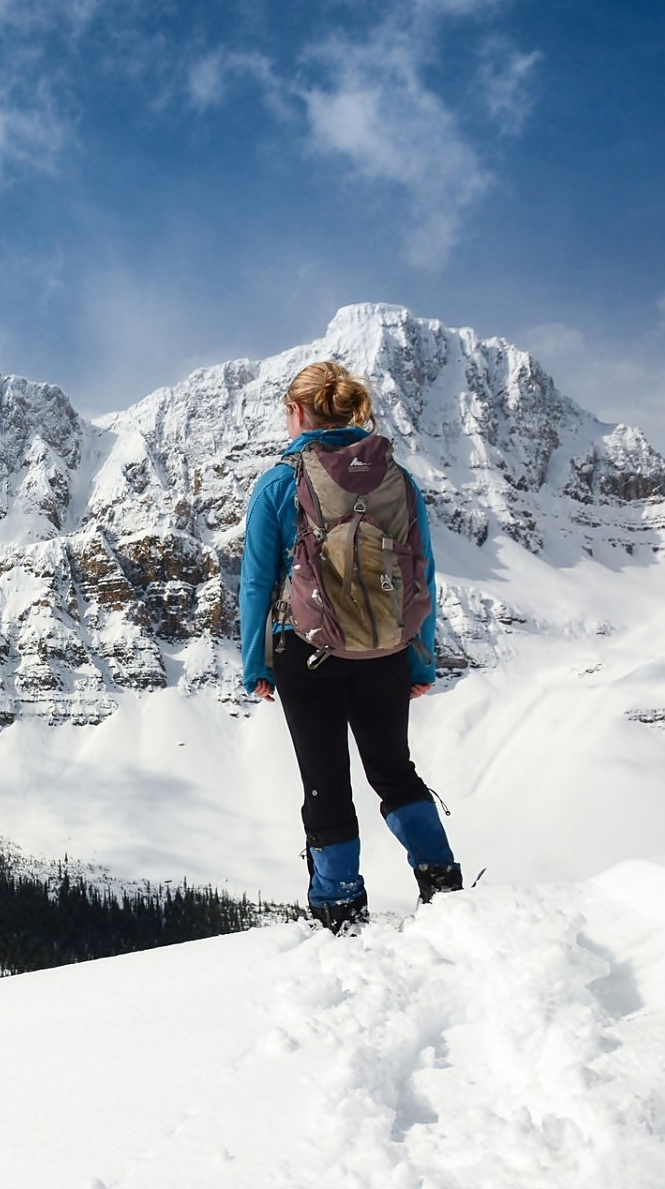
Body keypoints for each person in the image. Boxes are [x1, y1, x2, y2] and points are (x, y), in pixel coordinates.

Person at [239, 361, 464, 933]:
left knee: (325, 780)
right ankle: (442, 882)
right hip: (386, 649)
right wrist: (419, 655)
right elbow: (423, 574)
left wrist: (255, 663)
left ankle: (340, 906)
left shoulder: (278, 481)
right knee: (393, 769)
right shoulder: (398, 478)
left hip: (305, 651)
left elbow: (258, 583)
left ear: (297, 411)